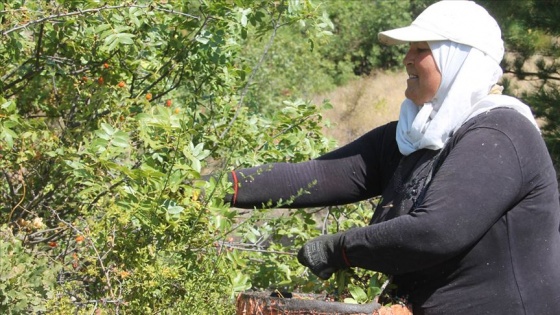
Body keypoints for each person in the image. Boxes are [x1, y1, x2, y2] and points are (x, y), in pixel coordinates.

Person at [219, 1, 560, 314]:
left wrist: (341, 248)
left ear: (459, 59)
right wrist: (210, 189)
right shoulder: (414, 137)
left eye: (422, 49)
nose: (407, 59)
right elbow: (316, 176)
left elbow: (436, 232)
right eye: (409, 49)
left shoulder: (500, 133)